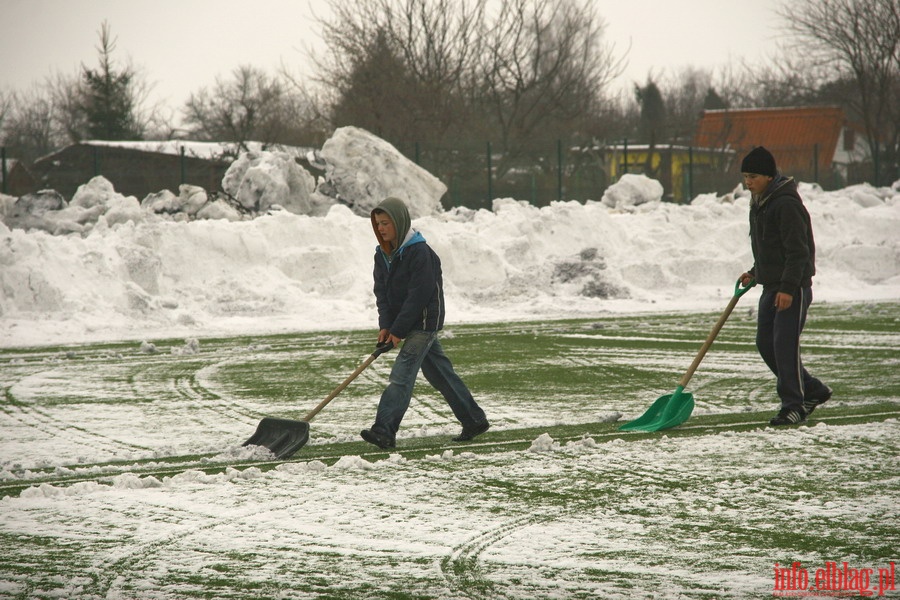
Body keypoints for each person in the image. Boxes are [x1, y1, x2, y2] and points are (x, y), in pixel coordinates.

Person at [360, 197, 490, 449]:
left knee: (402, 374)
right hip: (402, 321)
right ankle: (474, 419)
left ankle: (384, 430)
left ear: (399, 221)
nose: (381, 228)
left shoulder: (420, 253)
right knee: (440, 374)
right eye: (377, 224)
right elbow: (382, 294)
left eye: (386, 223)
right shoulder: (382, 255)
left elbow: (418, 295)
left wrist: (397, 331)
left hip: (424, 321)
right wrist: (386, 325)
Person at [738, 146, 831, 426]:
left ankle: (793, 405)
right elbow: (770, 247)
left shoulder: (786, 204)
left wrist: (789, 289)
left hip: (793, 287)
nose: (748, 182)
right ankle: (812, 389)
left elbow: (797, 251)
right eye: (745, 176)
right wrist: (756, 272)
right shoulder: (761, 202)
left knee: (784, 345)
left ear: (768, 176)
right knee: (766, 343)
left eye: (753, 176)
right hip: (771, 285)